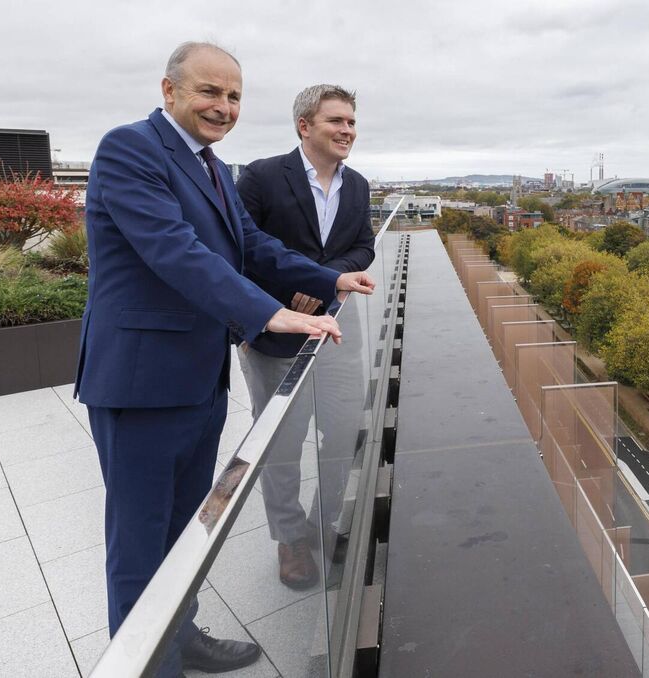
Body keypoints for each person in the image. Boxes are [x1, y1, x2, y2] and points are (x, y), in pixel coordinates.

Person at [74, 41, 375, 676]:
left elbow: (252, 243)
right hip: (139, 383)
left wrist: (328, 281)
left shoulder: (210, 165)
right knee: (140, 541)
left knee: (187, 532)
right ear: (169, 91)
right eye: (210, 92)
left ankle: (181, 633)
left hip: (197, 379)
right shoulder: (129, 149)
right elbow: (177, 251)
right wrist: (270, 312)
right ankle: (149, 664)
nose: (224, 106)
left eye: (234, 95)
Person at [235, 85, 373, 590]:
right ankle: (290, 539)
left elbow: (363, 248)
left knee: (342, 432)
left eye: (352, 122)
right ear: (304, 126)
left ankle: (325, 520)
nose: (347, 131)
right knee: (283, 444)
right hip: (275, 336)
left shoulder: (357, 186)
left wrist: (324, 280)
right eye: (336, 121)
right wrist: (307, 284)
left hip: (336, 335)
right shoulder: (262, 176)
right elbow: (244, 249)